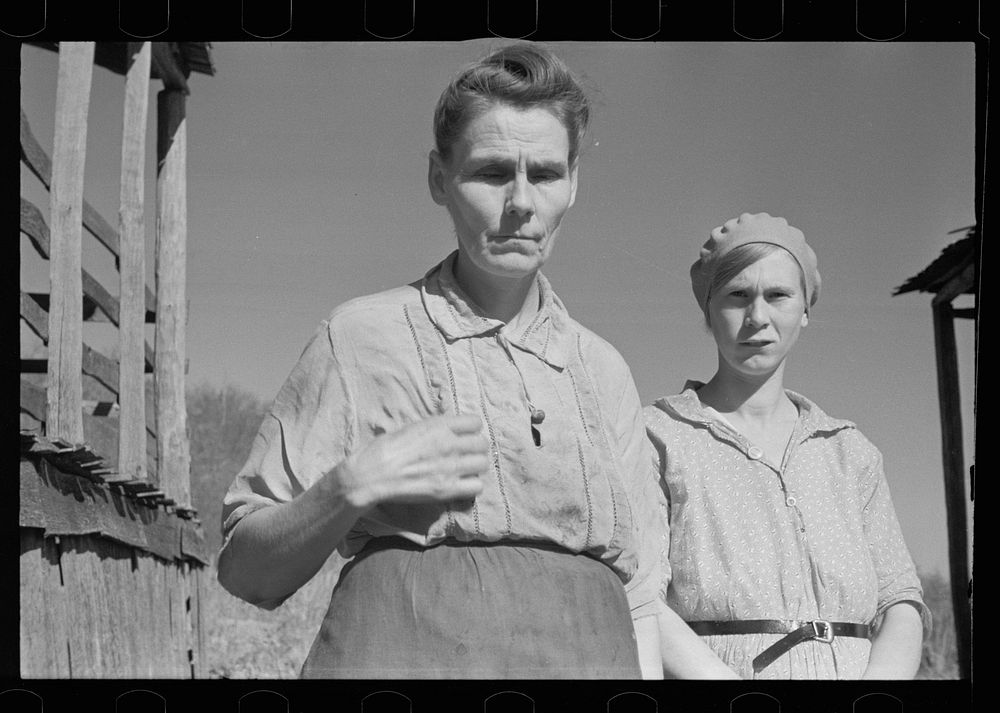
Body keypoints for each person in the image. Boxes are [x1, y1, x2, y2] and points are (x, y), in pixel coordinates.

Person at [217, 43, 665, 679]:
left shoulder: (605, 370)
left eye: (544, 173)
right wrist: (351, 486)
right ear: (439, 179)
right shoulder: (361, 337)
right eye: (489, 173)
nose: (520, 202)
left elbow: (640, 596)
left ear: (572, 184)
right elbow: (245, 572)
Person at [645, 212, 930, 679]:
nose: (757, 317)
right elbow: (641, 596)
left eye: (777, 295)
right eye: (737, 295)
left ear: (805, 310)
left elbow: (901, 600)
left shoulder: (850, 452)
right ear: (708, 309)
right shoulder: (659, 437)